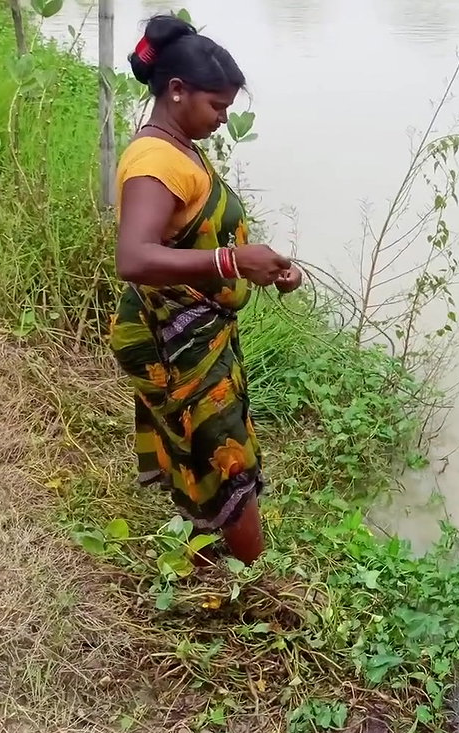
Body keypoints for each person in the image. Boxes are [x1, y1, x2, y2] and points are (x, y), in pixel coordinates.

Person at [108, 14, 302, 565]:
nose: (222, 119)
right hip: (178, 337)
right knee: (224, 457)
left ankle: (205, 560)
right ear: (176, 91)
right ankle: (256, 585)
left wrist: (261, 268)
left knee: (200, 449)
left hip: (199, 329)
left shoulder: (179, 146)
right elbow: (134, 256)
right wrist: (232, 259)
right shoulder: (156, 161)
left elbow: (193, 233)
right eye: (216, 106)